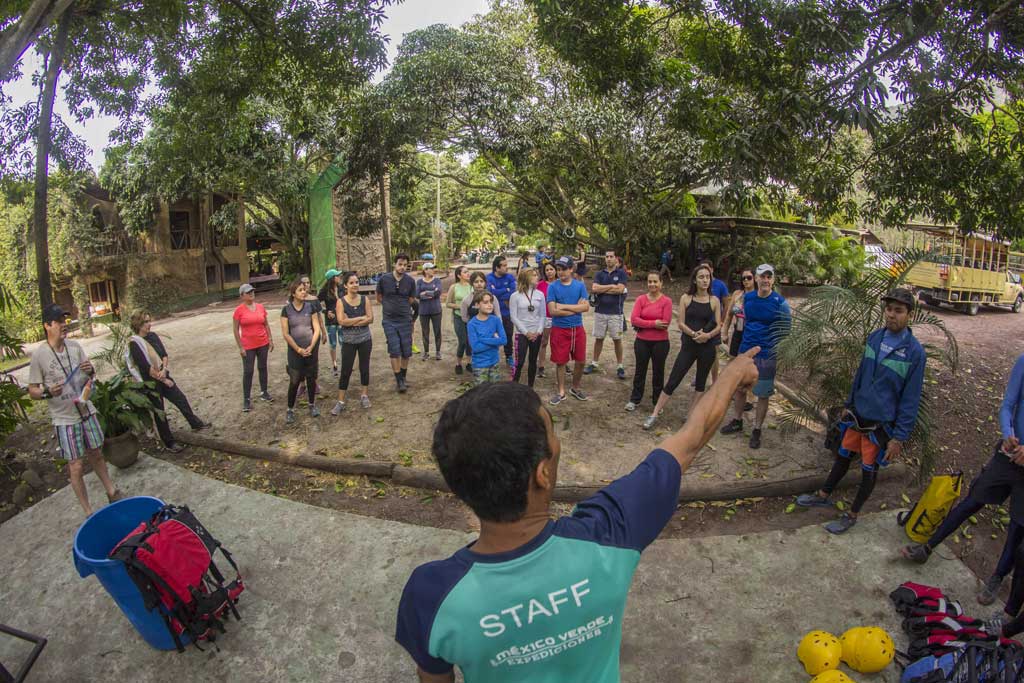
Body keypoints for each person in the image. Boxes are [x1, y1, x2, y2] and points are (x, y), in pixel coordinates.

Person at [394, 349, 760, 682]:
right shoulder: (611, 533)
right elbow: (691, 439)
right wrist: (732, 374)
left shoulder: (430, 595)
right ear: (542, 473)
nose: (557, 444)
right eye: (553, 434)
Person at [796, 289, 926, 534]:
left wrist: (899, 437)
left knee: (868, 470)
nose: (891, 315)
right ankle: (823, 495)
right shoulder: (875, 337)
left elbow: (911, 398)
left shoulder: (914, 352)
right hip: (858, 415)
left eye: (898, 311)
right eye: (889, 309)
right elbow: (860, 374)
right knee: (843, 456)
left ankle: (852, 514)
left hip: (880, 425)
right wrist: (848, 405)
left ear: (910, 314)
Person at [901, 351, 1024, 605]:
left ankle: (997, 577)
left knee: (1017, 527)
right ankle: (928, 546)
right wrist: (1008, 433)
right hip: (1009, 454)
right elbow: (1008, 405)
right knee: (972, 500)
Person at [28, 304, 122, 516]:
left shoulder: (75, 347)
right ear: (47, 325)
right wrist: (46, 392)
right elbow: (32, 390)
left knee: (96, 453)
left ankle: (112, 491)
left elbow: (90, 374)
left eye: (65, 321)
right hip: (65, 419)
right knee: (76, 465)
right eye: (59, 321)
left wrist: (91, 370)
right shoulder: (39, 355)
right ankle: (88, 511)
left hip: (85, 409)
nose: (64, 325)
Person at [719, 263, 791, 449]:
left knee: (762, 394)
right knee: (740, 389)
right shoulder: (748, 298)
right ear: (757, 278)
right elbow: (744, 321)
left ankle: (757, 429)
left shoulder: (780, 303)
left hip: (766, 355)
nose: (765, 280)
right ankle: (737, 420)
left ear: (773, 280)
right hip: (745, 351)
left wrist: (773, 349)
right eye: (762, 276)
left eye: (769, 276)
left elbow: (785, 332)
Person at [641, 265, 722, 431]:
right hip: (689, 346)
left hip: (707, 347)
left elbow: (719, 325)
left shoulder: (714, 300)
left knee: (701, 382)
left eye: (707, 277)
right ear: (695, 280)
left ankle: (690, 415)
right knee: (673, 379)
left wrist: (707, 336)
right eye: (701, 277)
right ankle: (655, 413)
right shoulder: (686, 298)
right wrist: (694, 334)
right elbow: (680, 323)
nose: (705, 280)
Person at [126, 310, 208, 452]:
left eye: (149, 320)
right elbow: (146, 368)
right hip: (151, 382)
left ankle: (195, 423)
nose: (149, 324)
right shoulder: (135, 343)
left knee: (180, 398)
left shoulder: (153, 336)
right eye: (146, 322)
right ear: (138, 324)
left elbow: (164, 355)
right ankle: (169, 443)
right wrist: (164, 380)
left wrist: (164, 369)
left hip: (163, 374)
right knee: (160, 413)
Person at [626, 271, 673, 412]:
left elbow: (665, 323)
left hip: (661, 343)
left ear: (661, 283)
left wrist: (644, 322)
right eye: (650, 281)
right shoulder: (641, 299)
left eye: (655, 281)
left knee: (658, 372)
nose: (652, 284)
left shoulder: (667, 301)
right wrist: (653, 323)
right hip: (642, 341)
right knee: (640, 371)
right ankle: (635, 399)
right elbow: (634, 319)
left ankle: (657, 402)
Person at [547, 256, 590, 404]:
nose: (560, 272)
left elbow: (586, 307)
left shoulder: (579, 286)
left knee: (581, 361)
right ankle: (561, 392)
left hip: (577, 329)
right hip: (559, 329)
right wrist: (576, 309)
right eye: (558, 269)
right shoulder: (553, 287)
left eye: (564, 269)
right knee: (560, 362)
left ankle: (575, 388)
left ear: (571, 269)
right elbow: (553, 311)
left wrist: (563, 306)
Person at [281, 278, 322, 424]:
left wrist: (311, 346)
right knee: (295, 380)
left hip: (310, 349)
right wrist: (298, 349)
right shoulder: (286, 310)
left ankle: (312, 404)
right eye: (300, 290)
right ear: (293, 293)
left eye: (304, 289)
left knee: (311, 378)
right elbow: (286, 333)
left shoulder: (310, 307)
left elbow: (316, 328)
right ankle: (290, 409)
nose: (304, 292)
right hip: (295, 352)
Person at [331, 272, 374, 414]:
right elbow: (341, 321)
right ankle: (341, 401)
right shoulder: (341, 302)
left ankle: (364, 395)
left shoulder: (365, 299)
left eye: (356, 282)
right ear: (345, 285)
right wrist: (361, 318)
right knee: (346, 370)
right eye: (351, 283)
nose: (355, 285)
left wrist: (351, 320)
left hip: (365, 340)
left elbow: (371, 319)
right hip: (349, 341)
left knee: (364, 367)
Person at [584, 249, 628, 380]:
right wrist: (612, 286)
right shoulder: (599, 274)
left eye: (611, 256)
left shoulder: (621, 273)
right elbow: (594, 288)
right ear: (605, 258)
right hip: (600, 312)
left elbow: (620, 290)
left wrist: (603, 289)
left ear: (615, 258)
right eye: (607, 256)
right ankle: (594, 363)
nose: (609, 258)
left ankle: (620, 366)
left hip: (616, 313)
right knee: (599, 338)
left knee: (617, 339)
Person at [377, 253, 418, 393]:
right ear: (395, 264)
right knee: (394, 350)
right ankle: (399, 380)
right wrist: (390, 306)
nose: (402, 267)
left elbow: (411, 299)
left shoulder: (410, 281)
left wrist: (402, 308)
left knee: (406, 351)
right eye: (400, 264)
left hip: (405, 320)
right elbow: (379, 297)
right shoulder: (384, 279)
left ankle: (403, 377)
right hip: (389, 321)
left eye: (405, 265)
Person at [233, 283, 274, 411]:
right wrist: (240, 347)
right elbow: (235, 329)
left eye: (252, 291)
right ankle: (246, 399)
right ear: (242, 296)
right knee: (248, 371)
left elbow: (266, 324)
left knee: (262, 367)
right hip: (248, 346)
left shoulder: (261, 307)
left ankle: (264, 392)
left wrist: (270, 339)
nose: (251, 293)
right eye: (248, 292)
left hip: (262, 343)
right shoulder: (239, 310)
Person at [721, 268, 756, 412]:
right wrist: (724, 332)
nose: (746, 280)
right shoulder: (737, 294)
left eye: (749, 277)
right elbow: (729, 315)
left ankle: (750, 397)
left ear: (755, 278)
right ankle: (732, 391)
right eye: (743, 278)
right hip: (738, 331)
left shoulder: (758, 295)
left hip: (751, 333)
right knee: (733, 361)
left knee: (749, 364)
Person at [509, 267, 546, 387]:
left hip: (536, 333)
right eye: (533, 275)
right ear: (526, 278)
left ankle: (530, 387)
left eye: (537, 275)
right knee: (519, 362)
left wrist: (538, 331)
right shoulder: (515, 296)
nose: (537, 277)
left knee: (533, 361)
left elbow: (543, 315)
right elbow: (513, 317)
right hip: (521, 333)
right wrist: (526, 332)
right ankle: (513, 386)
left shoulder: (540, 294)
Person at [466, 292, 507, 385]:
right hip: (479, 365)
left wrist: (482, 339)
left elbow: (504, 340)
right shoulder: (472, 324)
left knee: (494, 390)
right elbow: (476, 348)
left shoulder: (496, 320)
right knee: (481, 392)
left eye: (491, 302)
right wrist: (495, 341)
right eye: (485, 302)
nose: (490, 305)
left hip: (494, 363)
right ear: (477, 305)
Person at [701, 260, 730, 386]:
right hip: (700, 323)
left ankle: (714, 381)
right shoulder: (699, 284)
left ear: (712, 269)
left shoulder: (720, 285)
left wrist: (722, 321)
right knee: (699, 353)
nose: (704, 271)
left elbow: (726, 304)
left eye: (707, 268)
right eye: (701, 268)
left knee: (713, 354)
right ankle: (700, 377)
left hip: (714, 324)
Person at [486, 255, 517, 369]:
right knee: (492, 335)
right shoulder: (489, 278)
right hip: (492, 314)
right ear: (496, 267)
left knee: (508, 335)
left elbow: (512, 293)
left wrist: (498, 293)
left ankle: (509, 356)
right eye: (503, 265)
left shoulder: (510, 277)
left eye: (506, 265)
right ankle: (492, 358)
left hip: (507, 313)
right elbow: (490, 294)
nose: (506, 267)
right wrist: (505, 290)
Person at [460, 271, 491, 373]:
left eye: (481, 281)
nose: (479, 284)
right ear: (472, 284)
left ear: (485, 283)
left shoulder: (492, 298)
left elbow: (498, 315)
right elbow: (464, 317)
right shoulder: (467, 300)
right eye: (476, 282)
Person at [446, 266, 473, 375]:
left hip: (471, 318)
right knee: (462, 341)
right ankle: (458, 364)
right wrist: (461, 306)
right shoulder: (454, 287)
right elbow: (448, 303)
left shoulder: (472, 286)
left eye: (468, 271)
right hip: (458, 317)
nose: (468, 273)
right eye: (465, 272)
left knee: (470, 341)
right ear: (459, 275)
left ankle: (469, 363)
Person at [417, 262, 443, 361]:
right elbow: (417, 295)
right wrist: (431, 293)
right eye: (431, 268)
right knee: (425, 332)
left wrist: (425, 293)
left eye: (433, 268)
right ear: (425, 270)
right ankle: (426, 352)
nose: (433, 270)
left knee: (437, 331)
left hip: (436, 310)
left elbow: (438, 293)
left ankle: (438, 352)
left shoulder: (437, 280)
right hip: (423, 311)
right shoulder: (419, 282)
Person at [318, 269, 342, 376]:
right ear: (332, 278)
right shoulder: (324, 291)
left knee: (343, 341)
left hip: (341, 319)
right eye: (337, 276)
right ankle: (334, 364)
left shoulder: (341, 288)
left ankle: (345, 364)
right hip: (331, 321)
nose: (339, 277)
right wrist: (326, 311)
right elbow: (317, 303)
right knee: (333, 343)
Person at [536, 261, 556, 379]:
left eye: (551, 269)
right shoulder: (540, 285)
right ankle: (541, 365)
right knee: (544, 341)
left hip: (559, 316)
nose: (549, 272)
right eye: (547, 270)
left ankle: (563, 363)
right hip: (546, 317)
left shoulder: (560, 284)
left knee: (559, 341)